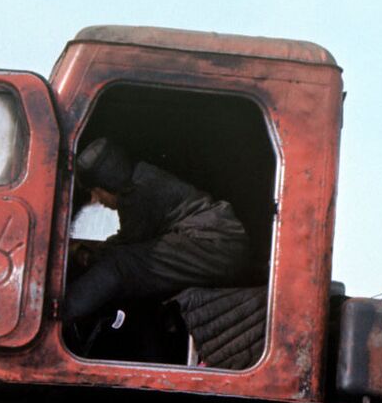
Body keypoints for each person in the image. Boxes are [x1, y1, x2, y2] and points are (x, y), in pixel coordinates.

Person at [63, 138, 251, 329]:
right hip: (217, 242)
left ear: (106, 184)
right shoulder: (142, 175)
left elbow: (129, 243)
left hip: (213, 244)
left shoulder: (137, 193)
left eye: (96, 191)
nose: (97, 199)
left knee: (119, 265)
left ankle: (57, 316)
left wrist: (86, 253)